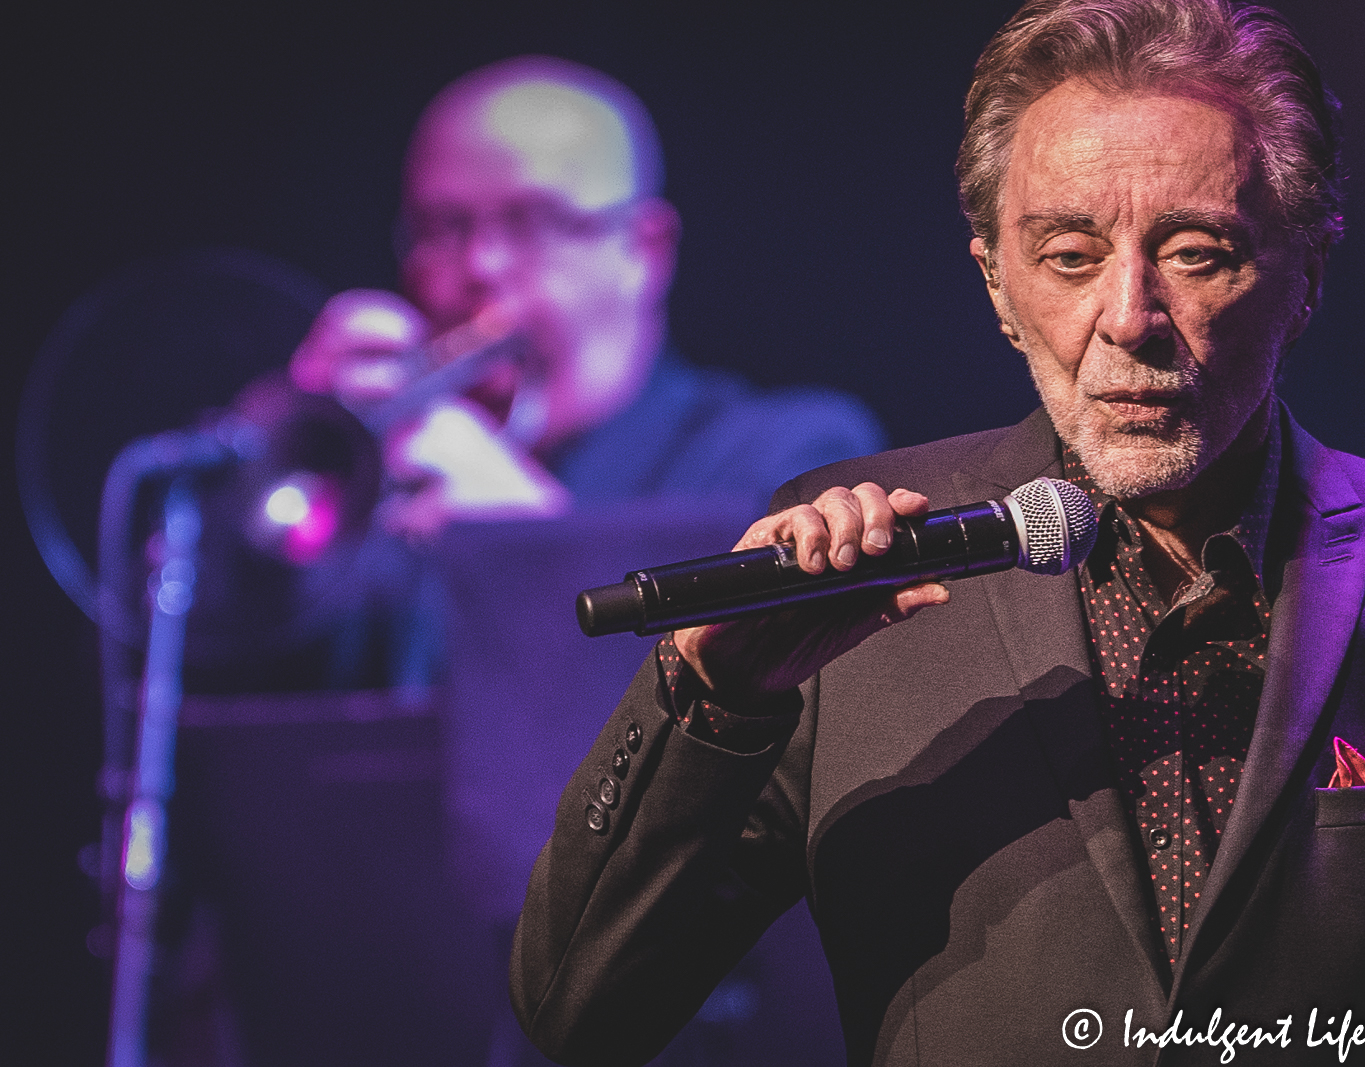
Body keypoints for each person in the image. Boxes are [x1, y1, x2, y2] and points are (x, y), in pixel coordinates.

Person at [510, 2, 1365, 1064]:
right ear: (995, 280)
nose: (1128, 315)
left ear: (1305, 272)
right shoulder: (855, 565)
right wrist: (718, 703)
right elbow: (579, 1014)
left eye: (1196, 250)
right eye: (1070, 255)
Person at [172, 58, 879, 1066]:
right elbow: (219, 713)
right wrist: (289, 455)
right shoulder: (392, 491)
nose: (479, 268)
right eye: (441, 228)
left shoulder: (778, 450)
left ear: (643, 248)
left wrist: (510, 527)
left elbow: (745, 752)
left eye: (533, 222)